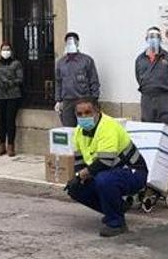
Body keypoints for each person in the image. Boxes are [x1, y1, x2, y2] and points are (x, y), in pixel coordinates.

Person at [66, 97, 148, 237]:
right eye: (79, 114)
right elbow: (79, 161)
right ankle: (117, 208)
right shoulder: (79, 131)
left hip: (133, 173)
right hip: (108, 172)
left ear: (97, 111)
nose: (84, 117)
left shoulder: (108, 127)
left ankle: (116, 223)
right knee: (75, 188)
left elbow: (105, 162)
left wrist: (81, 175)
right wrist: (77, 177)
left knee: (103, 180)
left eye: (88, 112)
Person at [135, 26, 168, 125]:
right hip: (147, 100)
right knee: (148, 130)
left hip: (165, 99)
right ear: (146, 39)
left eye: (156, 36)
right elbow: (139, 78)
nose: (153, 39)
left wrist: (167, 94)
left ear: (160, 39)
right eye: (151, 36)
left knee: (166, 127)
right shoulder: (140, 60)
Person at [54, 32, 100, 127]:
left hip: (83, 100)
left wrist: (94, 99)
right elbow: (58, 82)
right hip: (67, 102)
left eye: (74, 41)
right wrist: (58, 100)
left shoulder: (87, 60)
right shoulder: (61, 63)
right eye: (68, 42)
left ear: (77, 43)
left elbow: (94, 80)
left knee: (86, 127)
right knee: (68, 128)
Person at [0, 42, 23, 156]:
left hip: (13, 95)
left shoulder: (16, 63)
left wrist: (9, 83)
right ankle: (1, 144)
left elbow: (20, 78)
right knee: (1, 121)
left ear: (11, 51)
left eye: (8, 49)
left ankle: (11, 146)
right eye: (4, 49)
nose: (6, 51)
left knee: (10, 121)